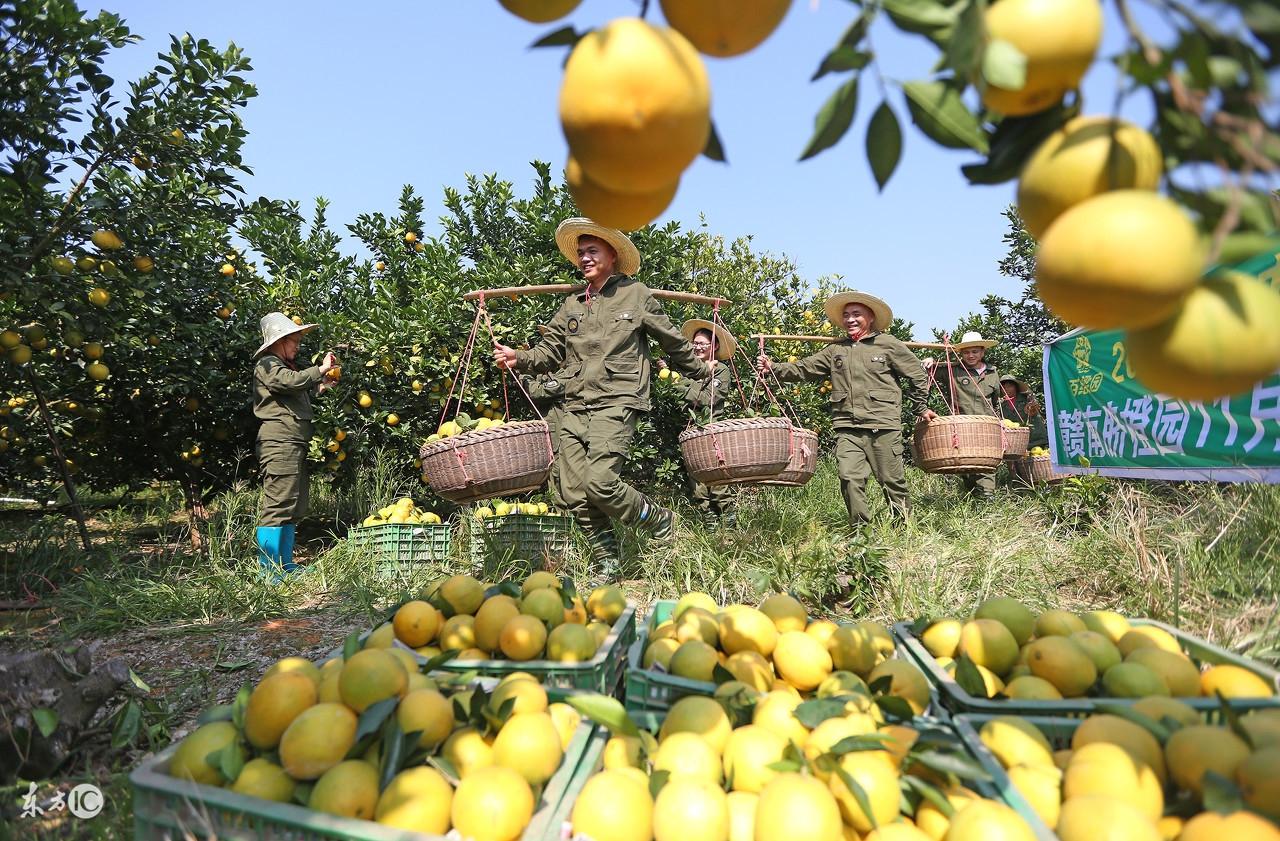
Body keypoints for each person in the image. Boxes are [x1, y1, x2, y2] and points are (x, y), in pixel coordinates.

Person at [492, 217, 711, 579]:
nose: (584, 258)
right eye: (580, 253)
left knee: (601, 483)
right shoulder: (573, 303)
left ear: (612, 255)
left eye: (592, 251)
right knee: (574, 493)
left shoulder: (635, 294)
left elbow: (671, 340)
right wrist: (520, 357)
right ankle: (607, 561)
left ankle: (658, 519)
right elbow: (550, 350)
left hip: (618, 398)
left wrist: (702, 372)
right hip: (576, 403)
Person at [757, 291, 932, 526]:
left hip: (883, 425)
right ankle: (861, 532)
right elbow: (804, 368)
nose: (850, 319)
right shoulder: (835, 350)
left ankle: (904, 528)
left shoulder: (888, 345)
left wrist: (920, 407)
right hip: (847, 427)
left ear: (870, 318)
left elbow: (918, 375)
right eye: (846, 315)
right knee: (849, 478)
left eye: (856, 314)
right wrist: (773, 367)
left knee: (891, 480)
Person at [252, 312, 336, 579]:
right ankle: (268, 571)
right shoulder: (267, 364)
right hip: (279, 442)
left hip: (293, 442)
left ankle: (284, 566)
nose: (298, 346)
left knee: (292, 505)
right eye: (294, 341)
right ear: (279, 341)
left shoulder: (282, 367)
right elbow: (287, 382)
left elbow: (292, 390)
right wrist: (319, 369)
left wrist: (320, 385)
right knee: (278, 505)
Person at [669, 319, 738, 526]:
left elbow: (708, 399)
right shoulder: (689, 368)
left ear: (714, 346)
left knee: (717, 479)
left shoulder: (721, 370)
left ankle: (730, 524)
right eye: (695, 343)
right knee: (697, 481)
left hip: (711, 430)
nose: (697, 347)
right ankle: (708, 522)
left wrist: (678, 382)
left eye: (702, 344)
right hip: (690, 431)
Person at [923, 331, 1001, 498]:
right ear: (960, 354)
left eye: (975, 352)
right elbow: (929, 372)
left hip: (985, 425)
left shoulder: (993, 373)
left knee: (986, 463)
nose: (970, 355)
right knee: (966, 465)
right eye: (966, 352)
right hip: (961, 425)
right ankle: (973, 494)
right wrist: (930, 361)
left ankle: (987, 497)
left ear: (982, 352)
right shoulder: (952, 370)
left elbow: (996, 401)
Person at [521, 326, 567, 507]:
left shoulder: (569, 373)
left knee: (563, 480)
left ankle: (571, 525)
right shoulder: (552, 372)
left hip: (563, 439)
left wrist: (522, 369)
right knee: (554, 480)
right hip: (551, 441)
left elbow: (536, 392)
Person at [999, 374, 1049, 450]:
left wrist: (1031, 407)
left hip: (1036, 439)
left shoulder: (1026, 399)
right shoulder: (1002, 405)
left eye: (1009, 386)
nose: (1006, 389)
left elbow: (1034, 407)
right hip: (1019, 442)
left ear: (1016, 387)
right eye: (1004, 387)